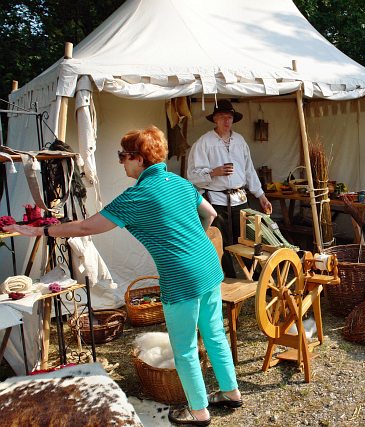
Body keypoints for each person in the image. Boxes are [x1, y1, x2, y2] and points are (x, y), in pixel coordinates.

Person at [3, 126, 242, 426]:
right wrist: (194, 242)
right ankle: (231, 392)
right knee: (214, 333)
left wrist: (41, 230)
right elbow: (210, 213)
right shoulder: (181, 183)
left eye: (123, 156)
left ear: (139, 159)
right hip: (208, 265)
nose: (120, 162)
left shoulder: (136, 196)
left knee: (184, 348)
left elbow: (85, 227)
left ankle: (198, 411)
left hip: (181, 276)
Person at [187, 99, 272, 278]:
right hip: (216, 201)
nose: (227, 121)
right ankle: (227, 278)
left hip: (240, 198)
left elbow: (249, 170)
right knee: (221, 242)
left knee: (248, 240)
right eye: (222, 117)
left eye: (230, 117)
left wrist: (261, 195)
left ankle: (254, 277)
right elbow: (192, 175)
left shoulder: (239, 141)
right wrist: (213, 172)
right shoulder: (204, 143)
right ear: (215, 119)